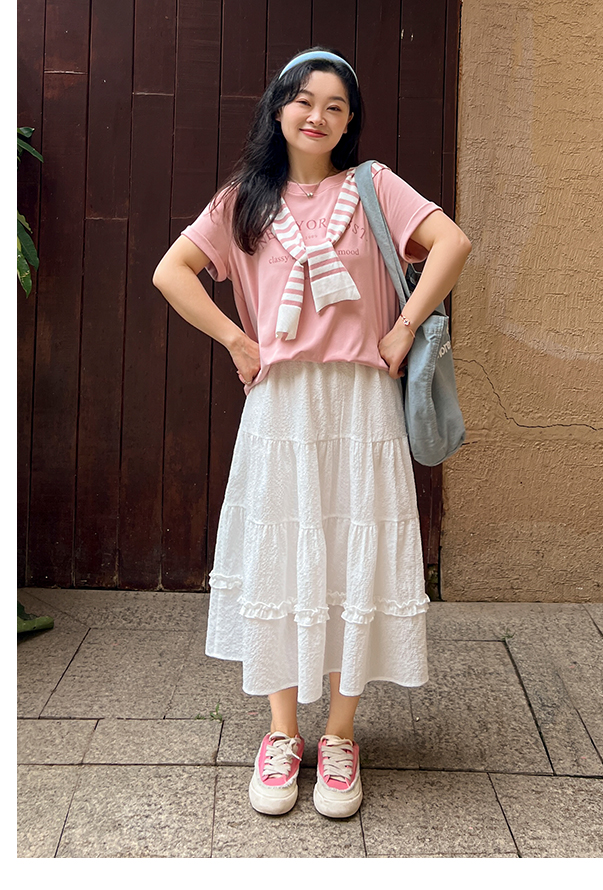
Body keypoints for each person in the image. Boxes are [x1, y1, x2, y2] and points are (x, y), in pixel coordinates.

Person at [152, 47, 471, 819]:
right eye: (303, 100)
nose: (317, 115)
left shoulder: (373, 187)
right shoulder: (243, 200)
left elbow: (452, 244)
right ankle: (281, 734)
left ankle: (339, 737)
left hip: (360, 403)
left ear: (350, 120)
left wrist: (403, 327)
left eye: (334, 105)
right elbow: (171, 272)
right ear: (278, 107)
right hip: (282, 404)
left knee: (351, 557)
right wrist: (237, 340)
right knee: (282, 557)